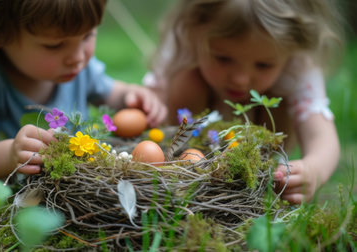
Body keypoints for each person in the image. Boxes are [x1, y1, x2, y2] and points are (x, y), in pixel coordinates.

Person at [0, 0, 167, 184]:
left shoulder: (74, 63)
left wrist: (131, 96)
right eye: (54, 45)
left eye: (88, 35)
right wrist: (11, 153)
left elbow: (111, 92)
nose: (78, 58)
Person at [144, 0, 343, 204]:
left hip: (256, 145)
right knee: (187, 79)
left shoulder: (298, 65)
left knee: (276, 101)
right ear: (195, 32)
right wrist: (147, 103)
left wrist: (314, 168)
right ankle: (185, 163)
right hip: (195, 136)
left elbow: (321, 134)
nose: (240, 79)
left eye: (263, 65)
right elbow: (155, 96)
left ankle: (259, 175)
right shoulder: (186, 43)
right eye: (223, 58)